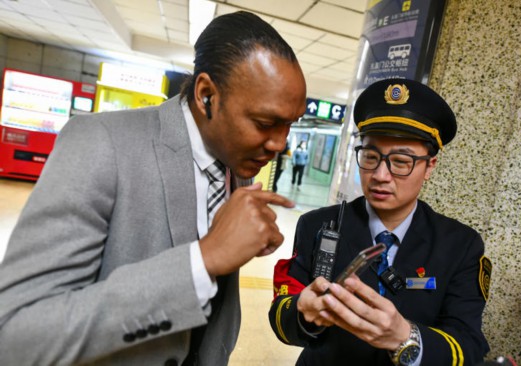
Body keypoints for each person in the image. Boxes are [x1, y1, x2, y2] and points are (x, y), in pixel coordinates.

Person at [0, 11, 306, 366]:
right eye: (266, 123)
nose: (279, 144)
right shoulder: (100, 144)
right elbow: (16, 335)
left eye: (289, 126)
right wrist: (203, 260)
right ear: (207, 95)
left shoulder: (239, 160)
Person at [269, 78, 491, 365]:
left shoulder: (460, 245)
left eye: (400, 162)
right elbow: (281, 319)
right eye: (371, 156)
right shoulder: (319, 225)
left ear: (429, 167)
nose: (380, 175)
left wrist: (405, 336)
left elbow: (469, 347)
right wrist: (304, 312)